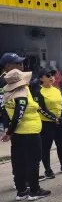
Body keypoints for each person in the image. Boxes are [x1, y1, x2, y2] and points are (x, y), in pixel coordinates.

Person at [1, 69, 51, 201]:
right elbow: (18, 116)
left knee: (19, 162)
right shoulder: (22, 95)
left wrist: (8, 130)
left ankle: (21, 191)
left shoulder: (7, 94)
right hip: (29, 133)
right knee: (33, 162)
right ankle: (34, 191)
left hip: (17, 134)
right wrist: (9, 132)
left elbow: (5, 113)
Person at [34, 67, 62, 179]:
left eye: (52, 75)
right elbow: (41, 109)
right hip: (46, 124)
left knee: (61, 145)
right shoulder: (38, 91)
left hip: (60, 122)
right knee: (46, 147)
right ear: (41, 78)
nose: (51, 77)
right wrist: (54, 118)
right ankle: (48, 170)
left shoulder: (57, 90)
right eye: (48, 75)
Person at [0, 53, 26, 189]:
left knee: (25, 154)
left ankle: (26, 178)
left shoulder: (19, 78)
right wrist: (7, 127)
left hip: (23, 122)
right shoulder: (3, 82)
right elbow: (4, 107)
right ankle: (20, 181)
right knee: (19, 155)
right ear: (8, 66)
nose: (22, 66)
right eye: (18, 64)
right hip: (14, 123)